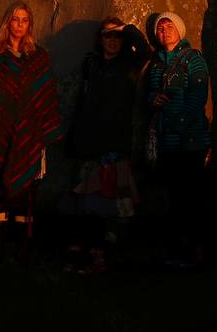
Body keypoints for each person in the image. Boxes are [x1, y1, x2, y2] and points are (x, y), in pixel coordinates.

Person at [0, 2, 62, 243]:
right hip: (0, 133)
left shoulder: (39, 58)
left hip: (30, 136)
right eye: (15, 19)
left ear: (30, 25)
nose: (19, 24)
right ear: (7, 22)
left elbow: (45, 97)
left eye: (24, 20)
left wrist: (41, 129)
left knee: (26, 192)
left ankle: (21, 241)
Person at [62, 16, 150, 271]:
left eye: (116, 37)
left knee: (104, 205)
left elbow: (144, 50)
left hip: (113, 142)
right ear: (99, 40)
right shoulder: (92, 63)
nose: (112, 41)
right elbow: (82, 100)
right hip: (89, 140)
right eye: (107, 36)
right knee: (84, 203)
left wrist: (126, 29)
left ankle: (99, 254)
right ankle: (81, 251)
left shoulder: (130, 64)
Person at [144, 11, 210, 268]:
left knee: (191, 197)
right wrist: (153, 99)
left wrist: (178, 121)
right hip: (166, 141)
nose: (164, 31)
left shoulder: (194, 59)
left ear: (179, 31)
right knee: (173, 197)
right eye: (160, 28)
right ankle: (177, 250)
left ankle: (195, 251)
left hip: (191, 140)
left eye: (169, 26)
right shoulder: (157, 64)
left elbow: (198, 94)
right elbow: (150, 91)